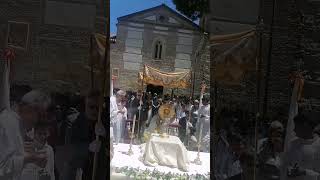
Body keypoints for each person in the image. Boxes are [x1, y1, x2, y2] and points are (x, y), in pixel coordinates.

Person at [0, 90, 51, 180]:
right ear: (29, 108)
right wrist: (29, 159)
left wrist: (33, 159)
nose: (37, 122)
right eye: (39, 115)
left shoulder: (19, 125)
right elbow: (2, 167)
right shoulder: (6, 124)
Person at [57, 90, 107, 180]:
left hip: (96, 171)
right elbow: (66, 149)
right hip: (76, 170)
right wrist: (87, 147)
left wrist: (105, 134)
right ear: (85, 105)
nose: (95, 111)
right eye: (92, 107)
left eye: (99, 108)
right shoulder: (72, 121)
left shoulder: (103, 122)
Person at [282, 111, 320, 180]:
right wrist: (288, 168)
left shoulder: (318, 145)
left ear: (305, 126)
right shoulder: (293, 143)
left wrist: (304, 172)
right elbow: (285, 164)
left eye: (296, 126)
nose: (294, 130)